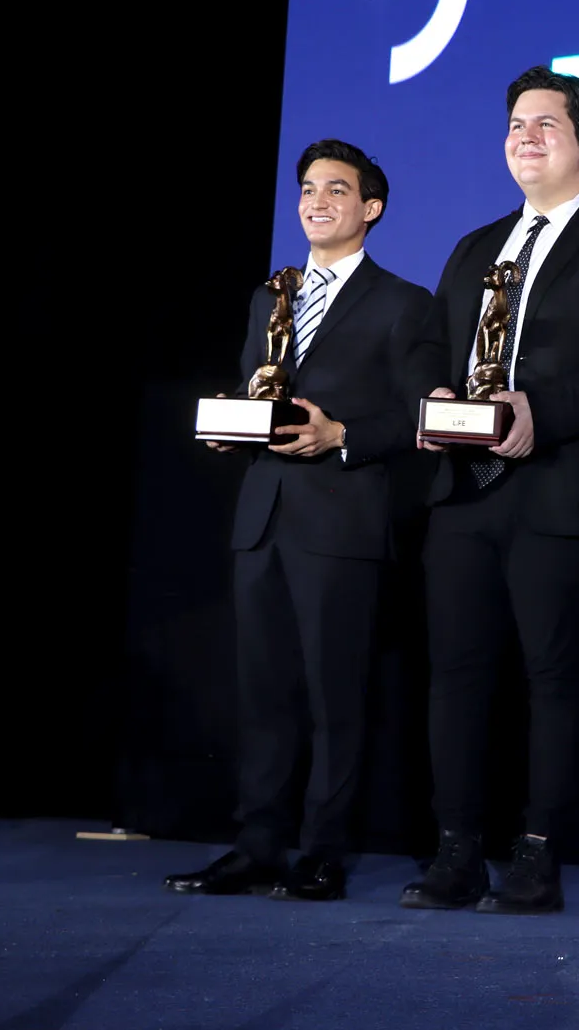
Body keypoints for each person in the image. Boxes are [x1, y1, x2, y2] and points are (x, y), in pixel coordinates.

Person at [400, 66, 579, 915]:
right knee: (456, 675)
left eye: (546, 125)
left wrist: (540, 410)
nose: (526, 137)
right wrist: (437, 394)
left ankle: (539, 856)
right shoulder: (477, 247)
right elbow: (426, 346)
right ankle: (454, 853)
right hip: (465, 491)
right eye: (516, 123)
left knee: (556, 679)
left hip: (565, 491)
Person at [167, 140, 434, 902]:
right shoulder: (270, 295)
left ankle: (323, 851)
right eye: (308, 188)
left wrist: (342, 434)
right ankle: (256, 845)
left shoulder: (403, 302)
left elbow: (417, 412)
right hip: (263, 518)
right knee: (262, 696)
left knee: (334, 696)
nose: (317, 201)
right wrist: (235, 423)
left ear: (370, 208)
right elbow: (263, 389)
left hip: (341, 521)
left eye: (337, 190)